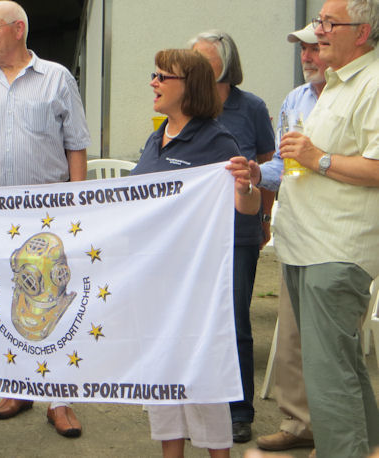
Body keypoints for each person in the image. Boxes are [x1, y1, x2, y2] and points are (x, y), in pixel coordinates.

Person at [0, 0, 90, 437]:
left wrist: (75, 207)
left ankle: (60, 399)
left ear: (18, 29)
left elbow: (76, 145)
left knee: (53, 301)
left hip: (45, 216)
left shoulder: (57, 78)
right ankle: (16, 385)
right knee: (3, 300)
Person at [132, 48, 261, 458]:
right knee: (163, 378)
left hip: (195, 286)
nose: (153, 82)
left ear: (189, 88)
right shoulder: (157, 137)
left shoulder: (217, 140)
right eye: (154, 75)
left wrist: (246, 188)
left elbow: (247, 207)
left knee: (202, 382)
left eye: (162, 76)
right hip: (156, 281)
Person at [273, 0, 379, 456]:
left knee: (328, 379)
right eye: (320, 21)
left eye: (329, 23)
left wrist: (318, 159)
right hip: (306, 247)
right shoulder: (337, 83)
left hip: (335, 251)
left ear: (362, 32)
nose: (318, 31)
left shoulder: (373, 83)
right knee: (341, 368)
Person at [189, 30, 275, 443]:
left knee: (236, 320)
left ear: (225, 65)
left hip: (238, 230)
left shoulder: (251, 108)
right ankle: (198, 401)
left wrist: (265, 218)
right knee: (194, 318)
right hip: (194, 234)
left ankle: (239, 411)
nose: (193, 66)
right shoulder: (188, 105)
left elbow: (267, 166)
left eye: (202, 59)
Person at [251, 23, 328, 453]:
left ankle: (336, 434)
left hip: (336, 235)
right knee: (293, 338)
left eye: (314, 47)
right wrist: (257, 172)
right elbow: (283, 165)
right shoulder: (294, 99)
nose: (307, 57)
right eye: (302, 49)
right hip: (295, 231)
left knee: (331, 343)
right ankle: (299, 423)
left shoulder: (355, 96)